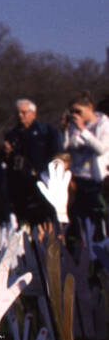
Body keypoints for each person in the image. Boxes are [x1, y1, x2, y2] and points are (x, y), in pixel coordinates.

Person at [4, 99, 60, 224]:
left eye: (24, 113)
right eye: (18, 113)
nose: (20, 116)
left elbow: (54, 153)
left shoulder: (45, 132)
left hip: (41, 180)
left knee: (45, 217)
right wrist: (7, 153)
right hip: (19, 183)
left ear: (33, 114)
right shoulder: (12, 134)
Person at [61, 92, 109, 234]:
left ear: (89, 107)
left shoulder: (104, 124)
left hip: (97, 179)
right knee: (79, 221)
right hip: (78, 178)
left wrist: (83, 130)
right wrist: (64, 130)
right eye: (72, 112)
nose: (75, 114)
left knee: (98, 219)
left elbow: (101, 149)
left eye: (78, 111)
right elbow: (66, 147)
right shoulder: (74, 125)